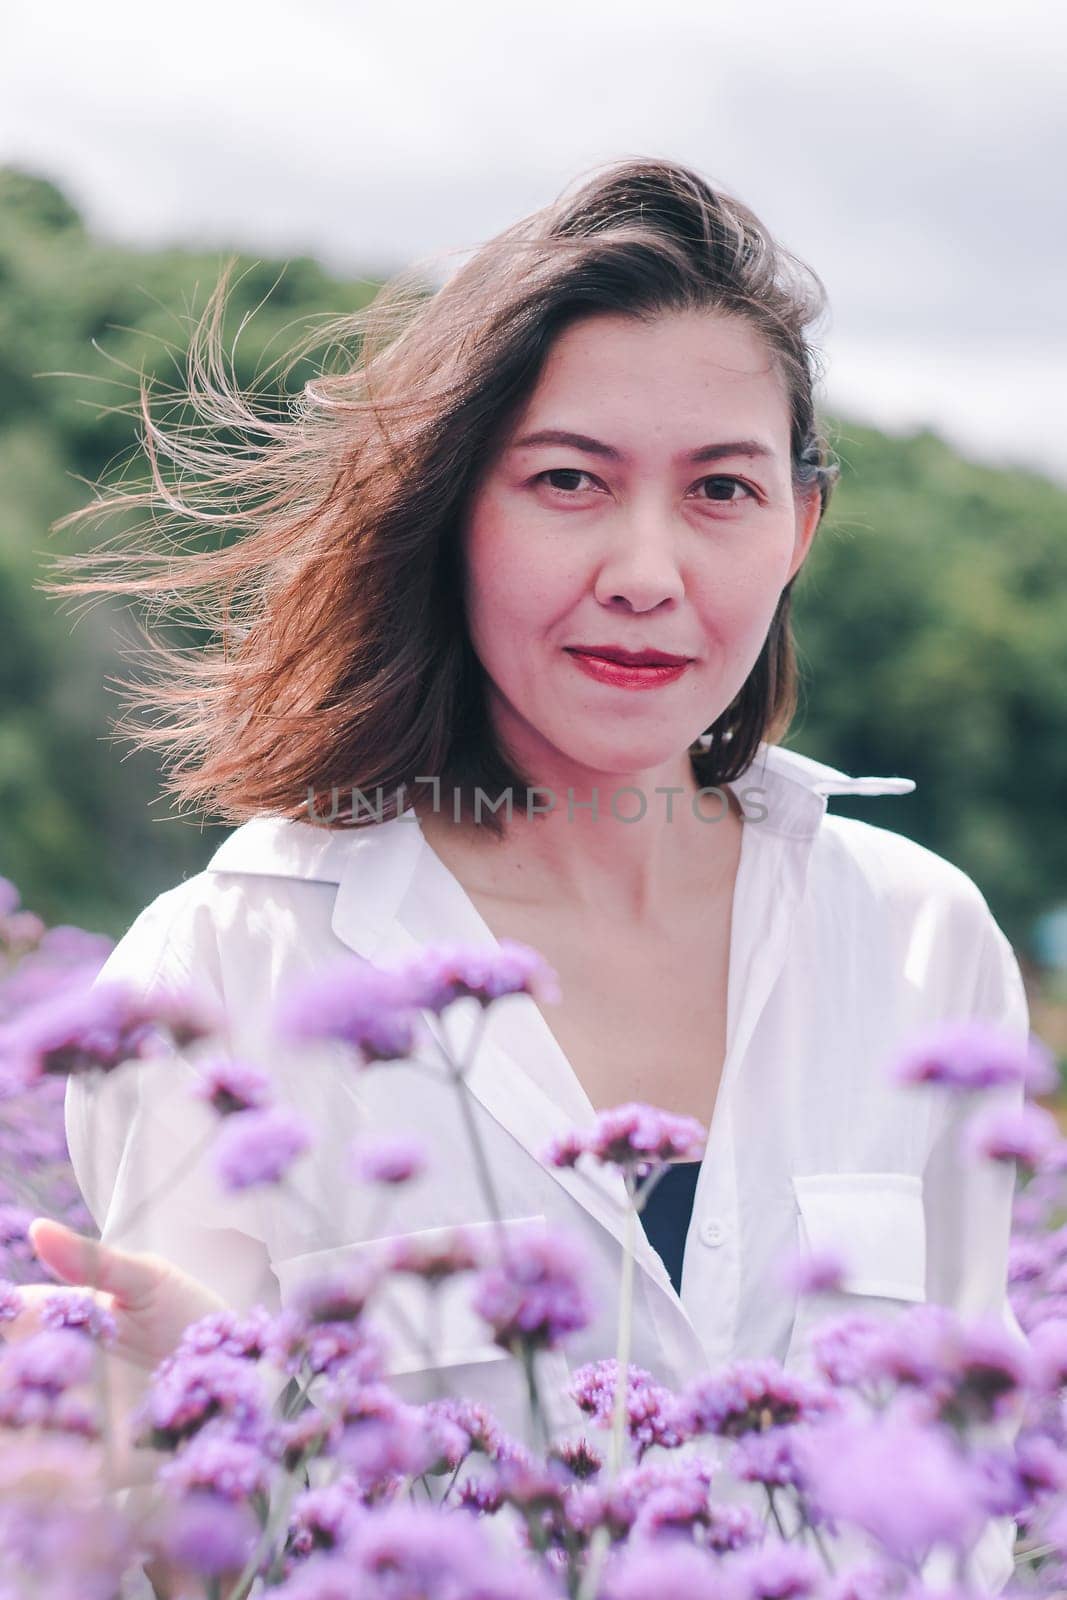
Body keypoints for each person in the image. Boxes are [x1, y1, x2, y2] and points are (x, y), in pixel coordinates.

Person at [24, 158, 1029, 1589]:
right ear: (453, 511)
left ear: (801, 529)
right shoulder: (232, 967)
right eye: (569, 480)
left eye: (723, 490)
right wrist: (168, 1433)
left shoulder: (923, 941)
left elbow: (973, 1509)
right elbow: (180, 1548)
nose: (645, 568)